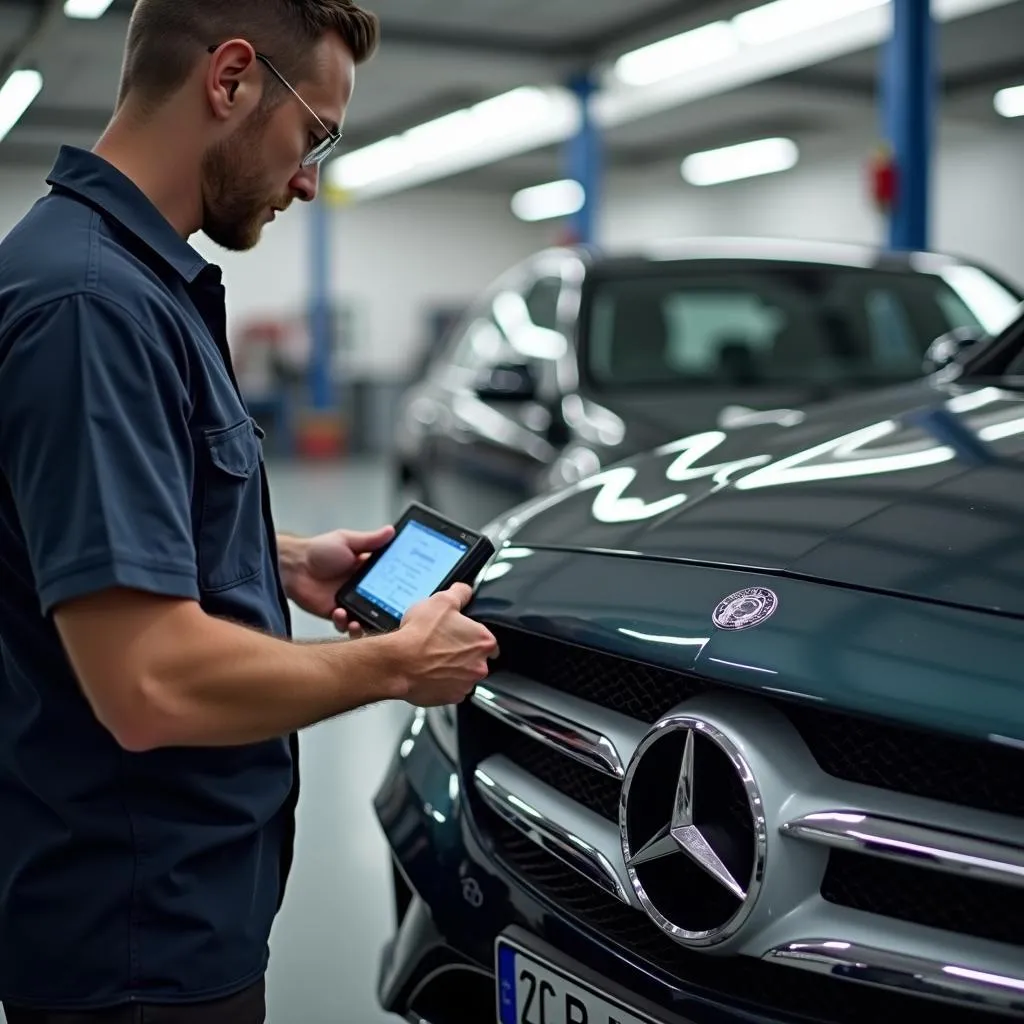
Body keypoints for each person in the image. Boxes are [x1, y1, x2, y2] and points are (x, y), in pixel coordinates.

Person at [0, 1, 499, 1021]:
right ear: (229, 81)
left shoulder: (106, 276)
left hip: (149, 908)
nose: (311, 177)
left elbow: (73, 521)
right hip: (138, 939)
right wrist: (393, 663)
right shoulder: (94, 308)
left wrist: (274, 557)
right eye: (312, 133)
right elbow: (147, 682)